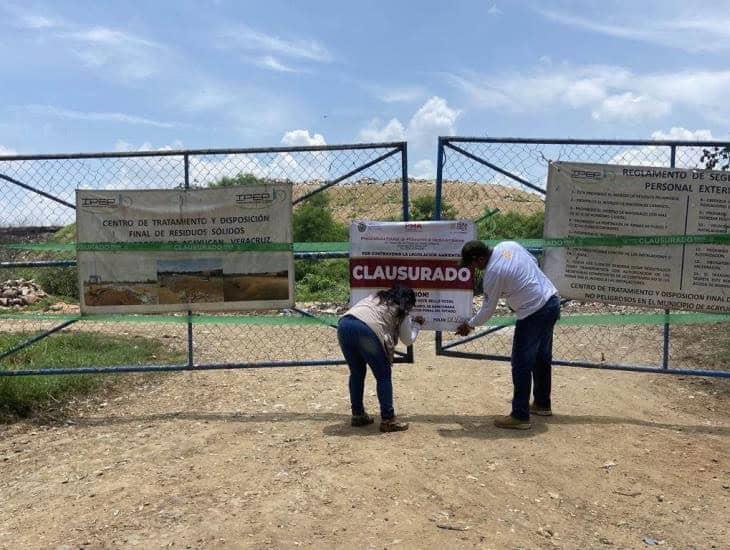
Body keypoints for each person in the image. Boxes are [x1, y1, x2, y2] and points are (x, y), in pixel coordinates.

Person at [457, 240, 560, 430]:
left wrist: (469, 325)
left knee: (521, 363)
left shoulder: (493, 273)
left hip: (533, 312)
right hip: (551, 301)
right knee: (541, 357)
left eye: (471, 264)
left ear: (480, 259)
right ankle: (542, 403)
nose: (472, 269)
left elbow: (487, 310)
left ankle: (520, 416)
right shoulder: (508, 245)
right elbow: (532, 261)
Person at [337, 284, 425, 432]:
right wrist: (416, 325)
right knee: (383, 375)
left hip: (344, 325)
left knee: (357, 373)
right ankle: (388, 419)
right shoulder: (400, 310)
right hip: (366, 331)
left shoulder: (375, 297)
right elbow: (408, 339)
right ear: (407, 301)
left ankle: (358, 414)